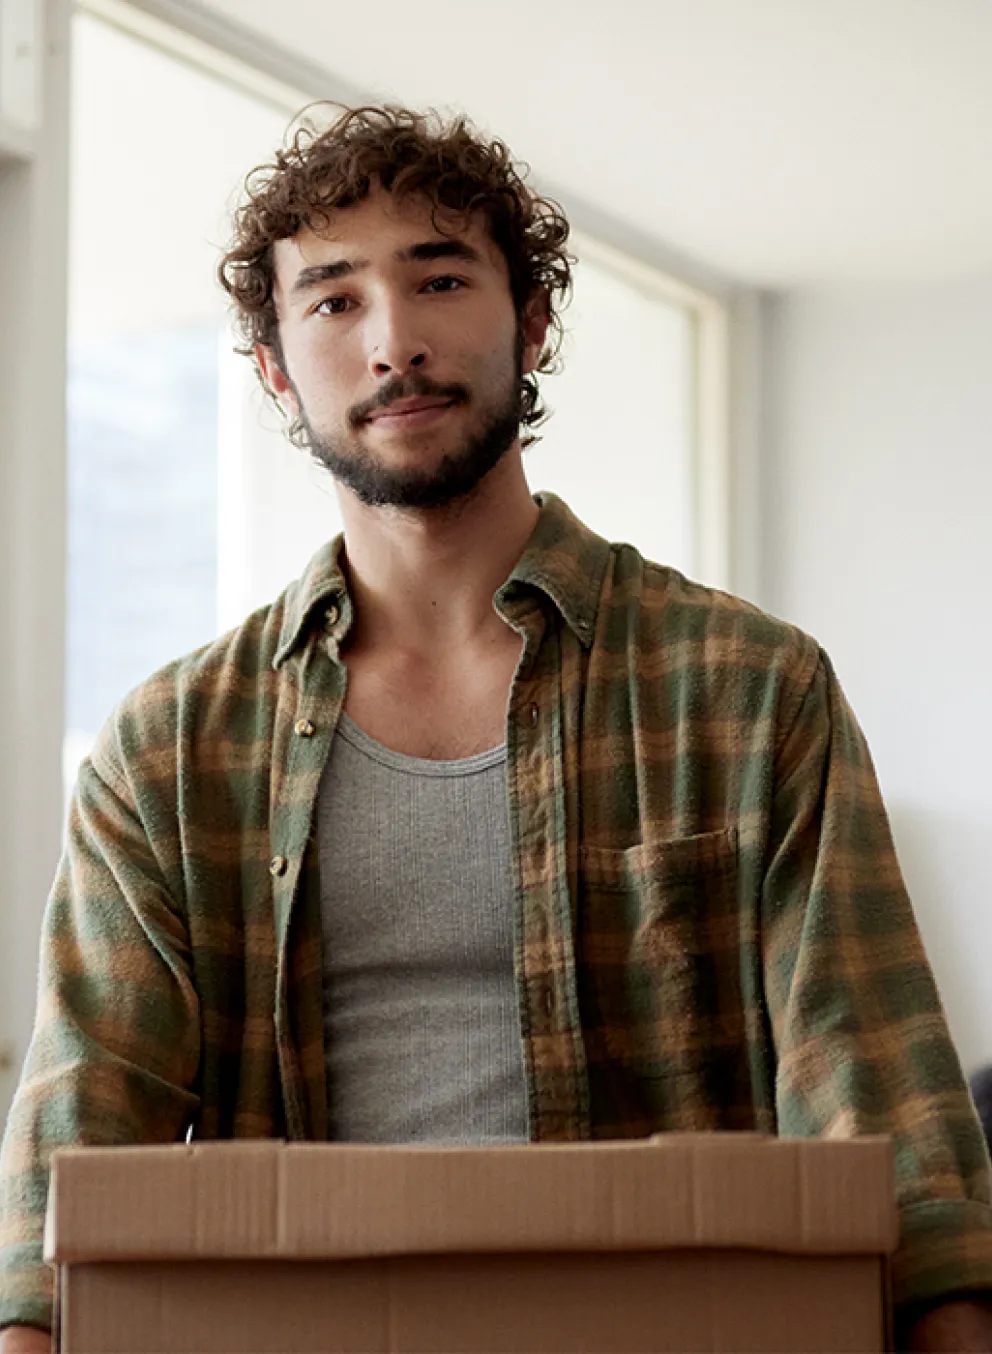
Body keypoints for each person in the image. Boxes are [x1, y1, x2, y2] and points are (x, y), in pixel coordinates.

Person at [1, 104, 991, 1353]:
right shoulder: (168, 750)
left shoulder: (747, 690)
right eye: (333, 301)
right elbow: (77, 1149)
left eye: (440, 278)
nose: (394, 341)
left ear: (529, 322)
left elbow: (879, 1100)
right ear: (272, 367)